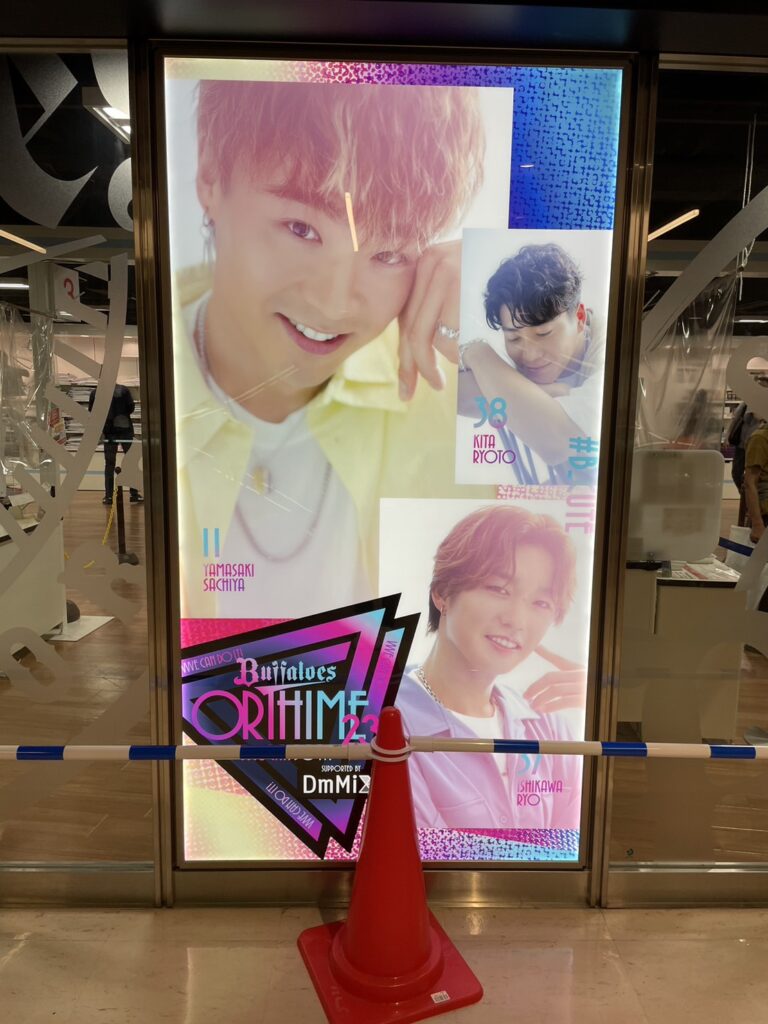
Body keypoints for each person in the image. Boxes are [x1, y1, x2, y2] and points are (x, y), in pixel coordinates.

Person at [174, 79, 493, 618]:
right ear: (210, 176)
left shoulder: (448, 395)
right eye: (301, 228)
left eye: (390, 254)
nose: (335, 302)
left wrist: (515, 311)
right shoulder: (154, 391)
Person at [396, 504, 586, 830]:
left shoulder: (550, 729)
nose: (517, 620)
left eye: (541, 603)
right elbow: (422, 851)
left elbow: (574, 844)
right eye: (499, 589)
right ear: (442, 593)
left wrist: (600, 708)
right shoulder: (381, 718)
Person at [458, 243, 603, 484]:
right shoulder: (506, 353)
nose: (530, 355)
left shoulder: (610, 353)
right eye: (513, 338)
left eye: (543, 333)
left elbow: (556, 443)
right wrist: (477, 351)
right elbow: (459, 397)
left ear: (579, 317)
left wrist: (480, 356)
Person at [88, 383, 142, 505]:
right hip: (125, 429)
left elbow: (92, 411)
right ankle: (134, 494)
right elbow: (131, 408)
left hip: (108, 431)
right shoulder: (123, 390)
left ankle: (109, 496)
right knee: (130, 462)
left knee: (109, 464)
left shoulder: (95, 393)